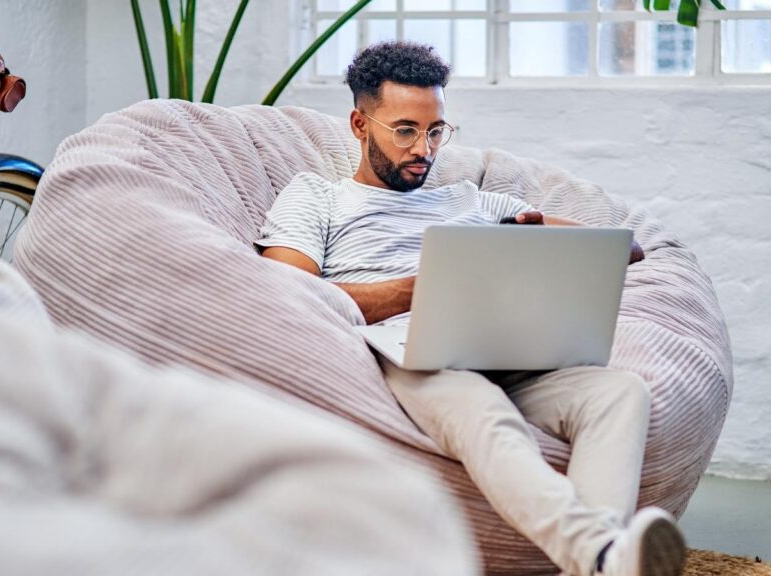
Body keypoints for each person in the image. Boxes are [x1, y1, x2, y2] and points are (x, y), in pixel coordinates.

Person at [254, 41, 684, 576]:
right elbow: (288, 290)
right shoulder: (318, 197)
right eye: (405, 130)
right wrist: (428, 289)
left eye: (436, 131)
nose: (424, 149)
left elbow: (625, 249)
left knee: (619, 392)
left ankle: (601, 564)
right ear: (361, 126)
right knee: (479, 405)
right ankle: (601, 554)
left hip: (505, 345)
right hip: (410, 351)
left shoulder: (477, 203)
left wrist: (534, 242)